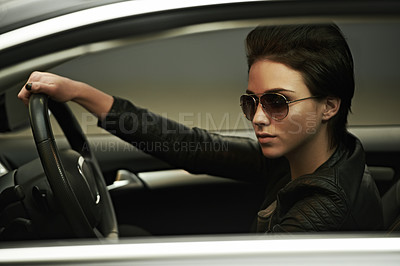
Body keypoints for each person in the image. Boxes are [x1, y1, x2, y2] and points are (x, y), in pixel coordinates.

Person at [18, 23, 383, 232]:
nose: (257, 117)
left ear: (329, 106)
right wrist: (79, 92)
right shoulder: (309, 156)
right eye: (251, 101)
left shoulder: (322, 210)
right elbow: (189, 145)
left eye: (277, 102)